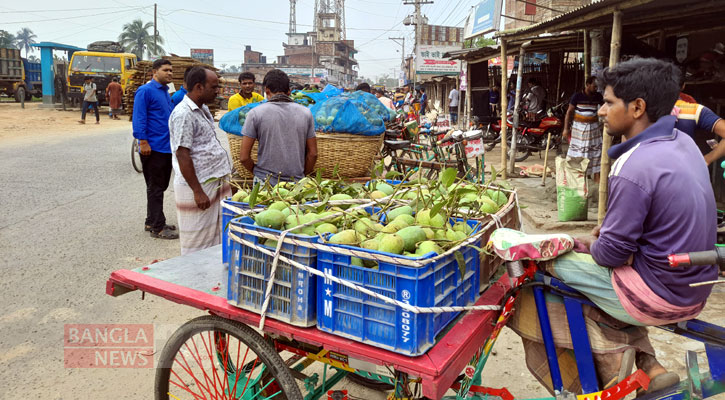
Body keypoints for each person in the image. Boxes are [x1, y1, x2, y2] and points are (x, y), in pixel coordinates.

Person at [512, 58, 716, 395]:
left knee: (538, 269)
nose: (602, 111)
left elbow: (610, 254)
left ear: (637, 107)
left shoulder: (634, 166)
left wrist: (592, 241)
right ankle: (648, 362)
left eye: (608, 103)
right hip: (694, 290)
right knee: (588, 270)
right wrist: (609, 237)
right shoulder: (684, 144)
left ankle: (598, 377)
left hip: (658, 296)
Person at [169, 67, 232, 255]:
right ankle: (194, 280)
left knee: (219, 237)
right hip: (199, 185)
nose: (217, 91)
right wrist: (198, 191)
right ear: (198, 87)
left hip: (215, 182)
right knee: (197, 243)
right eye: (213, 87)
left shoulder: (202, 108)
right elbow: (182, 154)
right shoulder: (183, 113)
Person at [240, 69, 317, 186]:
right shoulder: (305, 113)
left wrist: (258, 173)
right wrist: (302, 176)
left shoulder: (255, 113)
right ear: (289, 91)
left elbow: (244, 158)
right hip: (296, 184)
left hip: (265, 183)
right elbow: (313, 154)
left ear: (267, 91)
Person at [132, 58, 178, 240]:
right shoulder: (145, 91)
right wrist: (142, 141)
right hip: (153, 147)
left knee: (158, 186)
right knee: (156, 187)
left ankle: (151, 220)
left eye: (171, 71)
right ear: (155, 72)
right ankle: (158, 228)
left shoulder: (166, 92)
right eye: (166, 70)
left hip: (166, 147)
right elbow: (139, 117)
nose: (169, 73)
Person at [562, 76, 604, 182]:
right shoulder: (577, 96)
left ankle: (596, 175)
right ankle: (579, 176)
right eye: (594, 86)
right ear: (587, 85)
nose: (596, 89)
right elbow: (569, 113)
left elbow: (605, 107)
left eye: (597, 87)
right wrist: (566, 129)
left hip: (594, 129)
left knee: (596, 152)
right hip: (579, 129)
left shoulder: (598, 96)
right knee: (579, 152)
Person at [672, 99, 725, 165]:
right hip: (688, 168)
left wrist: (707, 160)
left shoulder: (689, 102)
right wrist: (707, 160)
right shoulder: (694, 109)